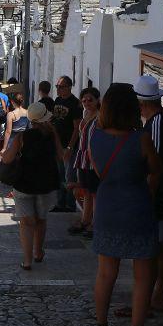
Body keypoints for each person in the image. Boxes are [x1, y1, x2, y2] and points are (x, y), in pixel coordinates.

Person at [89, 83, 163, 326]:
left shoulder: (94, 134)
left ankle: (100, 325)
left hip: (107, 205)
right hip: (137, 205)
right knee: (144, 273)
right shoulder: (140, 138)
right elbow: (156, 168)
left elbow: (99, 171)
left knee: (106, 272)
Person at [129, 74, 163, 315]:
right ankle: (153, 296)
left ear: (142, 103)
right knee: (159, 246)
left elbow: (155, 166)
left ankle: (156, 297)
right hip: (161, 194)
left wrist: (145, 196)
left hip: (158, 196)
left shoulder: (158, 123)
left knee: (157, 247)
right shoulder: (157, 121)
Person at [1, 102, 62, 270]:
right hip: (46, 184)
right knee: (41, 220)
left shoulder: (22, 137)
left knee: (26, 223)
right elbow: (61, 156)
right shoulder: (51, 135)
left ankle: (27, 260)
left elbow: (7, 159)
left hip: (24, 184)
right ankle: (38, 252)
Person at [68, 86, 101, 236]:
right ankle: (85, 220)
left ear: (97, 100)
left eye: (90, 100)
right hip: (83, 158)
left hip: (93, 157)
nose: (87, 102)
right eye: (84, 100)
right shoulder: (86, 113)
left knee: (95, 193)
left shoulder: (100, 116)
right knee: (86, 191)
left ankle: (95, 224)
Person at [51, 76, 83, 212]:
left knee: (69, 175)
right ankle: (60, 203)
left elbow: (77, 127)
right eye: (57, 86)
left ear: (69, 87)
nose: (58, 89)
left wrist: (70, 147)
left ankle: (70, 204)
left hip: (69, 145)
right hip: (58, 144)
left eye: (61, 86)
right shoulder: (57, 100)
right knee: (59, 174)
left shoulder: (75, 104)